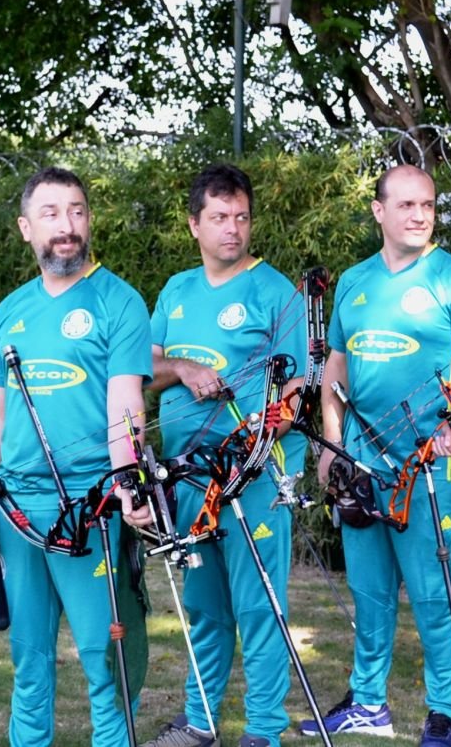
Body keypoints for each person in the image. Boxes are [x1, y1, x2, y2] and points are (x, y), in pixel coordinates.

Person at [0, 166, 152, 746]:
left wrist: (129, 480)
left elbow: (126, 403)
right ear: (25, 228)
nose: (66, 226)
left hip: (88, 511)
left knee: (107, 663)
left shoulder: (120, 302)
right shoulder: (11, 311)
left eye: (76, 211)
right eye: (50, 214)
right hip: (17, 512)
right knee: (29, 660)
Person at [304, 165, 451, 747]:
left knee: (436, 589)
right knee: (370, 589)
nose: (418, 215)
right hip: (361, 460)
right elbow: (336, 367)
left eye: (428, 205)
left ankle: (444, 710)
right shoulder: (355, 282)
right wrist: (332, 447)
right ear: (378, 211)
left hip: (435, 459)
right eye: (406, 205)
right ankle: (367, 703)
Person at [142, 163, 305, 747]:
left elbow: (298, 390)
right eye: (218, 218)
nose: (232, 229)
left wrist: (254, 439)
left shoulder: (276, 291)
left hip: (253, 475)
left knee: (259, 608)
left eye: (240, 217)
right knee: (205, 608)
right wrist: (183, 369)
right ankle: (199, 723)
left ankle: (263, 731)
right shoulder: (177, 290)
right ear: (194, 225)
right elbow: (149, 369)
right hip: (187, 476)